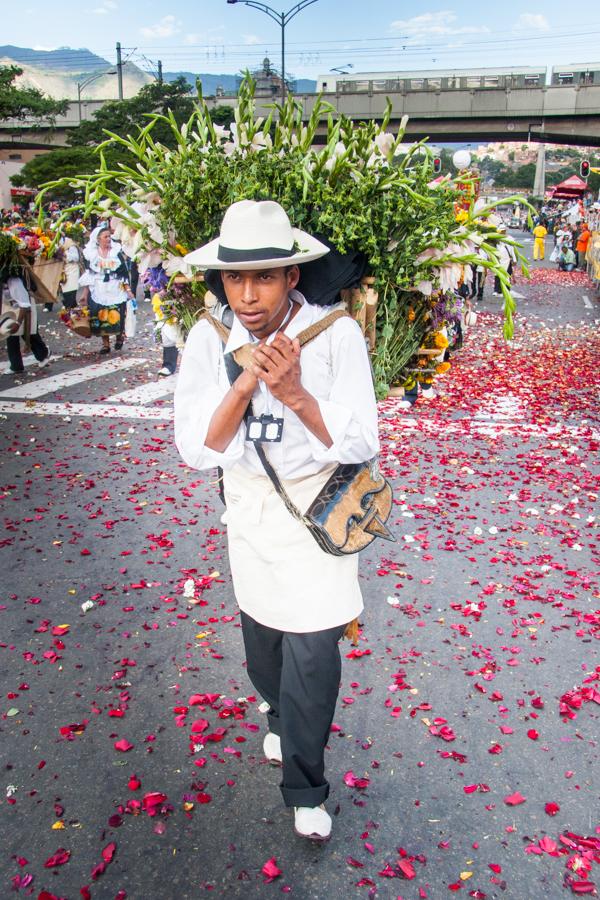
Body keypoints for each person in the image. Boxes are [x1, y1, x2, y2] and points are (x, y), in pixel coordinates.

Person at [174, 200, 379, 842]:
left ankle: (306, 785)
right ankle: (275, 709)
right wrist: (242, 386)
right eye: (236, 278)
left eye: (264, 277)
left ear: (293, 276)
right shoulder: (210, 339)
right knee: (263, 642)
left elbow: (362, 440)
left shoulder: (336, 334)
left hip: (317, 513)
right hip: (252, 513)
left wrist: (294, 392)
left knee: (314, 649)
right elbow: (197, 449)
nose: (248, 294)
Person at [78, 225, 135, 354]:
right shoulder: (92, 255)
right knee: (101, 315)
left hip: (115, 288)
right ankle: (105, 344)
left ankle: (119, 337)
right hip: (99, 289)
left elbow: (124, 273)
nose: (109, 239)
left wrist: (128, 290)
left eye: (110, 236)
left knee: (117, 314)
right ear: (98, 239)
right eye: (106, 237)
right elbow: (90, 276)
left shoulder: (116, 252)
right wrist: (85, 294)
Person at [1, 273, 51, 373]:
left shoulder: (15, 282)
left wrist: (18, 323)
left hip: (24, 308)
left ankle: (43, 353)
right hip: (10, 307)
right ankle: (16, 366)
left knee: (27, 332)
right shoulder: (2, 283)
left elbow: (25, 306)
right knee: (10, 336)